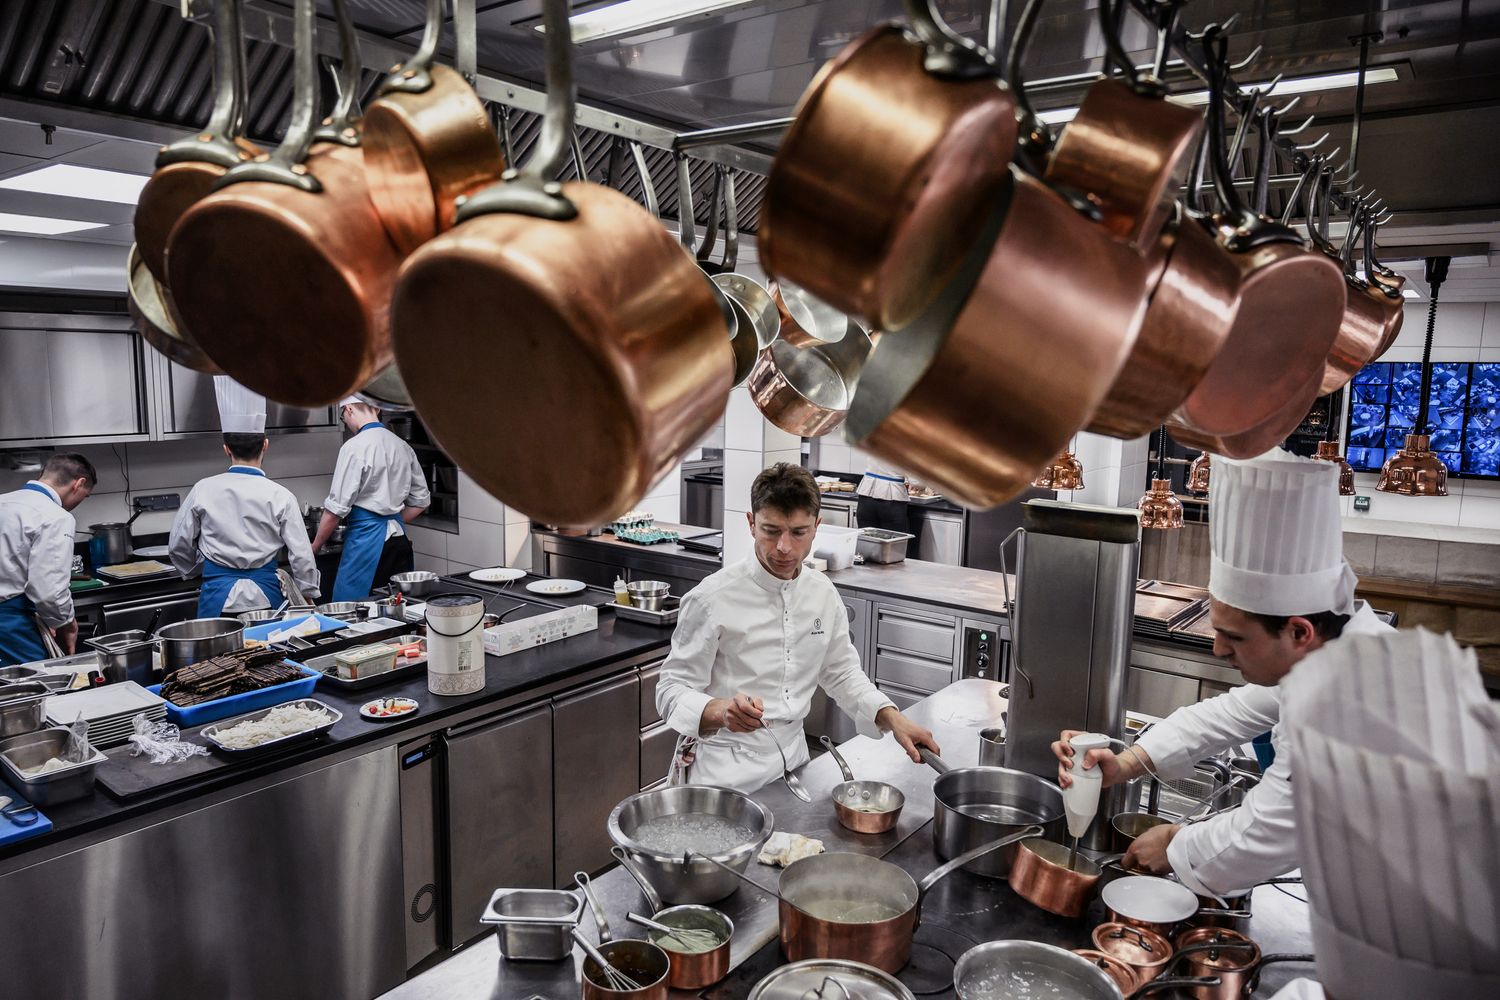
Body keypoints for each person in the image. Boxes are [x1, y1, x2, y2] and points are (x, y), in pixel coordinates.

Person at [1051, 448, 1394, 898]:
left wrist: (1176, 843)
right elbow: (1229, 714)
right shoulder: (1329, 658)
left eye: (1234, 637)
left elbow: (1269, 832)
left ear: (1299, 632)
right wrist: (1128, 763)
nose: (1217, 649)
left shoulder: (1353, 699)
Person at [657, 461, 940, 793]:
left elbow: (841, 673)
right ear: (751, 524)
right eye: (771, 530)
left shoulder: (821, 593)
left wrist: (893, 718)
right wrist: (718, 710)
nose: (784, 548)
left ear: (817, 526)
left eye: (798, 532)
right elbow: (670, 690)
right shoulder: (710, 598)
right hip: (723, 773)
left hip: (794, 766)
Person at [168, 378, 320, 618]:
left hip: (217, 599)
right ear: (266, 446)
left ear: (226, 448)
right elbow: (302, 555)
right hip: (267, 601)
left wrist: (194, 569)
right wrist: (308, 591)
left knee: (214, 656)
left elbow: (178, 545)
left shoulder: (203, 489)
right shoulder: (281, 495)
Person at [312, 399, 429, 602]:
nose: (345, 421)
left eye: (343, 417)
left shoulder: (354, 447)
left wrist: (315, 546)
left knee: (352, 608)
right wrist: (393, 519)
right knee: (397, 607)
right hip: (398, 542)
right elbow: (421, 501)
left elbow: (335, 511)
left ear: (348, 409)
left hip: (365, 543)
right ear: (377, 409)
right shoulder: (402, 445)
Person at [0, 452, 96, 665]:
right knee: (34, 691)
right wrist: (67, 624)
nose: (81, 501)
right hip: (11, 624)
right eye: (85, 495)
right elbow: (49, 591)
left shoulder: (4, 501)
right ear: (79, 484)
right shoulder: (55, 516)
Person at [854, 456, 910, 533]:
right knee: (892, 541)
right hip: (892, 498)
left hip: (867, 494)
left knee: (867, 539)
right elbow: (917, 481)